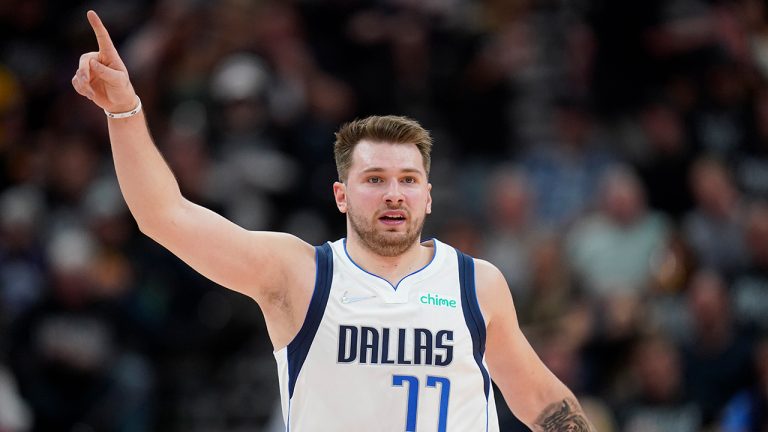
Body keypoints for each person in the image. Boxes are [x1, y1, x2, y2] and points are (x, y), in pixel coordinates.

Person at [71, 10, 595, 432]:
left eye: (409, 180)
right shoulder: (298, 274)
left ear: (429, 197)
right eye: (375, 179)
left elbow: (544, 405)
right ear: (342, 195)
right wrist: (125, 110)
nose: (394, 194)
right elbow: (164, 216)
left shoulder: (477, 284)